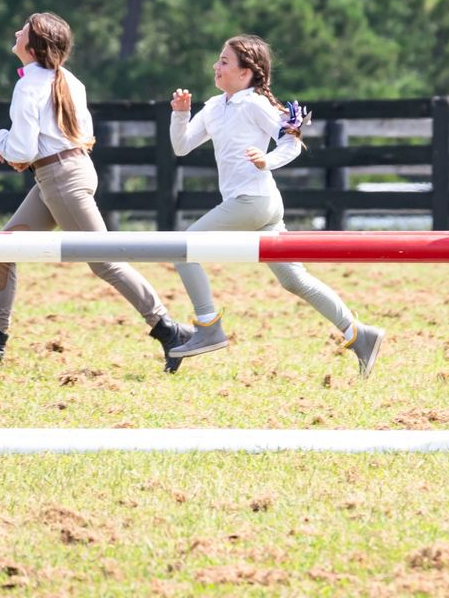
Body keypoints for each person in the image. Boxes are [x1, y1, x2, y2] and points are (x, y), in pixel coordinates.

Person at [0, 12, 193, 372]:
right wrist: (29, 155)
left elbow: (23, 150)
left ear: (33, 45)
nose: (16, 32)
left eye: (23, 31)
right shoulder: (70, 81)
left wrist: (0, 142)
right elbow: (74, 136)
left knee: (105, 261)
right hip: (67, 173)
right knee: (4, 246)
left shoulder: (28, 87)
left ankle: (170, 331)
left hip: (60, 179)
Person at [165, 34, 386, 377]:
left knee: (185, 248)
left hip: (253, 202)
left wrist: (266, 161)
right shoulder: (214, 106)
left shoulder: (254, 104)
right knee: (294, 280)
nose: (216, 66)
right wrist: (180, 115)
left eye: (224, 62)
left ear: (246, 73)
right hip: (262, 205)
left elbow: (292, 142)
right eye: (219, 59)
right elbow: (181, 147)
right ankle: (359, 333)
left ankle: (208, 326)